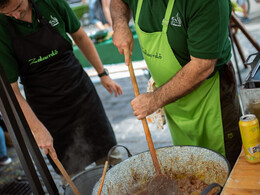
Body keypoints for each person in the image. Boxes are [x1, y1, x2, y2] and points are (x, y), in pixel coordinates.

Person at [111, 0, 242, 169]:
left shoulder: (210, 3)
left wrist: (155, 100)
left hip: (211, 100)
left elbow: (202, 66)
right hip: (175, 106)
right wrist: (120, 24)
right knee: (190, 168)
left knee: (226, 170)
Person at [0, 0, 123, 178]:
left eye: (19, 7)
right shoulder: (2, 27)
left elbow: (80, 36)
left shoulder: (50, 2)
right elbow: (12, 90)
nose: (16, 15)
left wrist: (102, 74)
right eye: (9, 14)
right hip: (46, 106)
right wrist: (37, 129)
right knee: (70, 170)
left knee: (109, 154)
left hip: (79, 90)